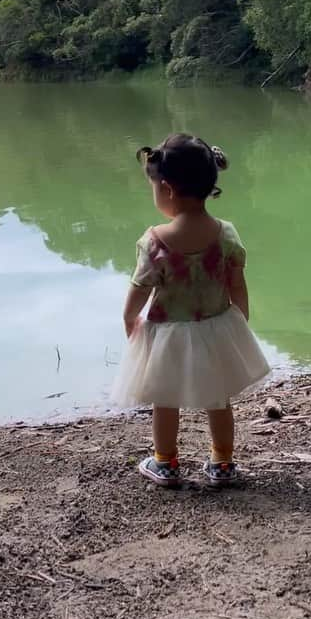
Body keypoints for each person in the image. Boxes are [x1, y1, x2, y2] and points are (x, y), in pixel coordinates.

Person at [112, 133, 269, 487]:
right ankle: (223, 463)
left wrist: (128, 318)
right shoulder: (226, 234)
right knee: (219, 398)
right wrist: (239, 322)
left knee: (164, 399)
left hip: (168, 332)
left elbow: (140, 288)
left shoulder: (154, 242)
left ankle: (165, 462)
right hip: (215, 326)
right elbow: (237, 285)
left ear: (166, 189)